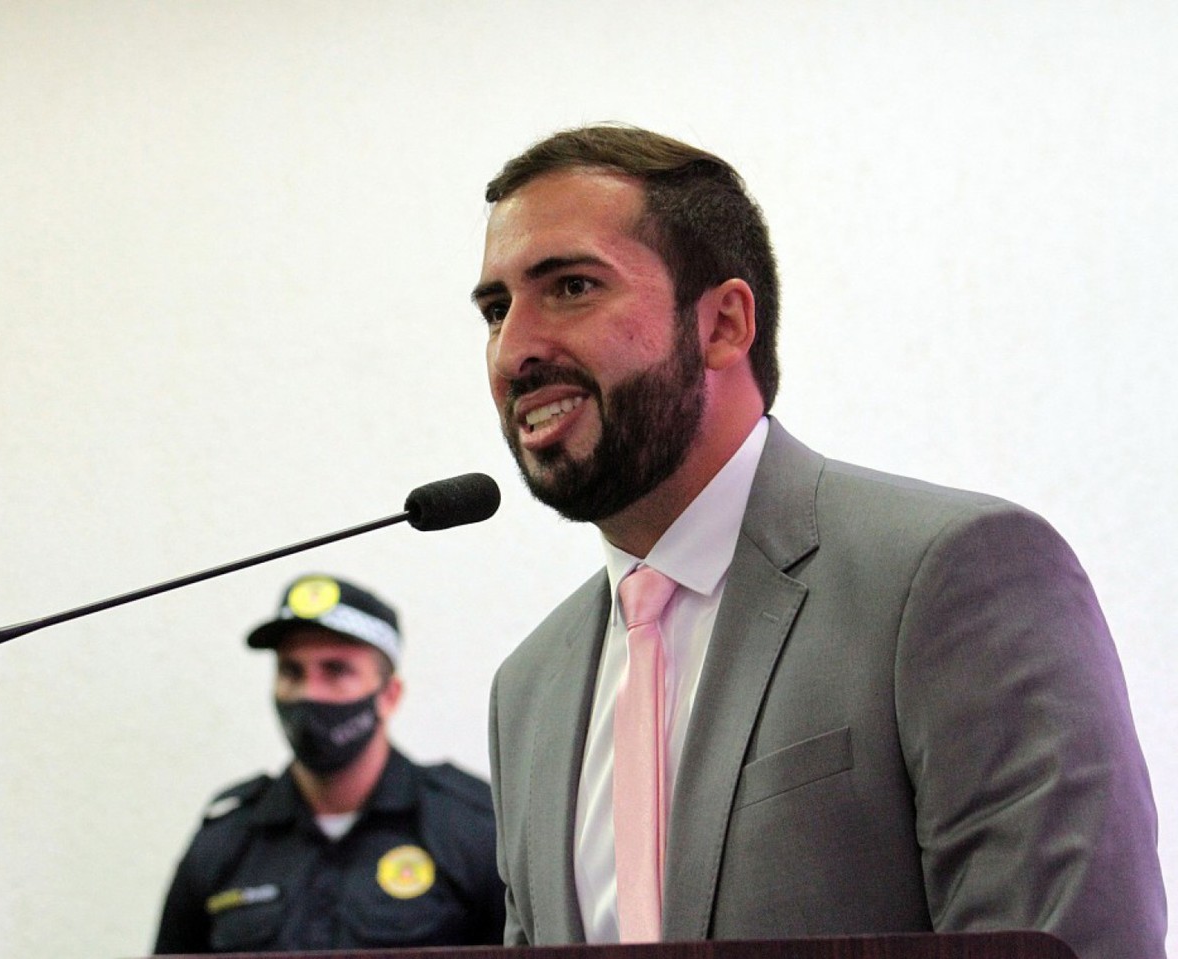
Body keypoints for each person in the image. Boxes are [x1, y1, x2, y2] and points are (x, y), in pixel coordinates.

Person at [474, 124, 1165, 959]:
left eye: (573, 287)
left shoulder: (954, 575)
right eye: (496, 310)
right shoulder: (528, 690)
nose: (515, 349)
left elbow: (1075, 940)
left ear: (723, 324)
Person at [154, 573, 505, 953]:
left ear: (388, 695)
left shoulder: (471, 827)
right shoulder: (227, 837)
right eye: (292, 671)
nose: (309, 693)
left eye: (336, 671)